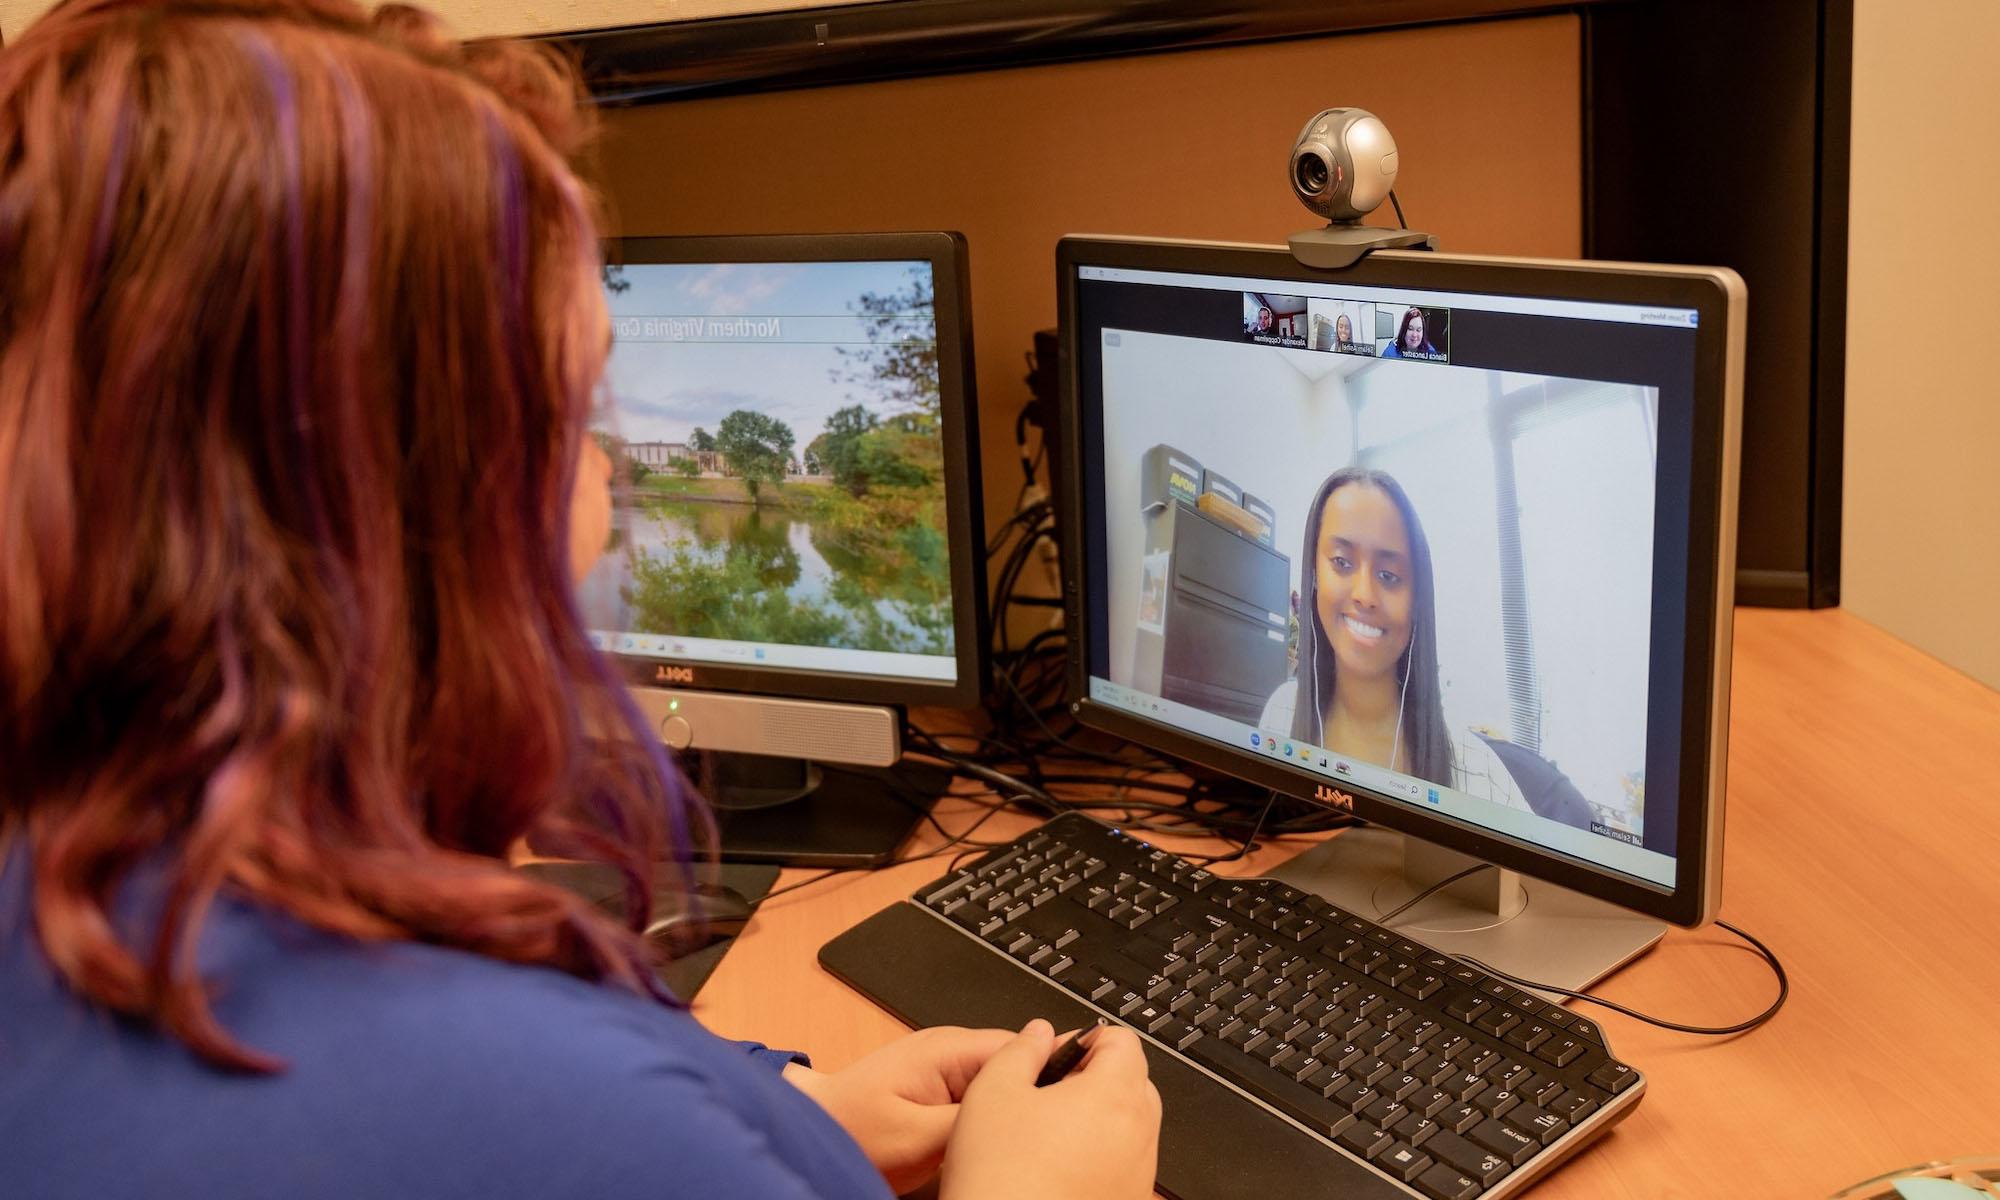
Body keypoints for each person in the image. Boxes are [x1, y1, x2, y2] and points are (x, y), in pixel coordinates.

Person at [0, 3, 1160, 1198]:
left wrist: (785, 1103)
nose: (607, 481)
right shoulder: (548, 1109)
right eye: (575, 415)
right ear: (403, 495)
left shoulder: (83, 885)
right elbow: (538, 1111)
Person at [1258, 469, 1595, 830]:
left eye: (1389, 576)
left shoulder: (1478, 774)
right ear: (1313, 573)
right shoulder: (1282, 710)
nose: (1364, 595)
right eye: (1342, 562)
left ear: (1418, 601)